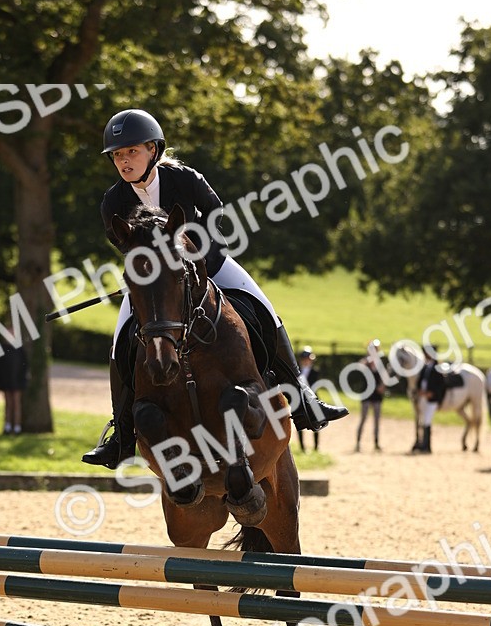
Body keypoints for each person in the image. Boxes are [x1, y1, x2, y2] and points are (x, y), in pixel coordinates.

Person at [82, 108, 348, 468]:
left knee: (264, 308)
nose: (123, 161)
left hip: (209, 264)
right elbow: (123, 244)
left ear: (153, 150)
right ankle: (122, 433)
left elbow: (214, 210)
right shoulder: (113, 201)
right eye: (117, 155)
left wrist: (194, 253)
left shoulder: (184, 179)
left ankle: (302, 397)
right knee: (120, 342)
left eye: (131, 152)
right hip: (153, 283)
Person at [0, 331, 29, 434]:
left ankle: (17, 426)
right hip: (6, 380)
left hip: (17, 380)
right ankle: (7, 426)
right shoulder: (2, 348)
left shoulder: (20, 349)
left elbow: (24, 366)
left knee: (16, 403)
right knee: (8, 403)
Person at [412, 346, 445, 454]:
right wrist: (419, 391)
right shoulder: (425, 367)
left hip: (431, 399)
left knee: (427, 421)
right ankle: (422, 443)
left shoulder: (437, 368)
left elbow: (441, 385)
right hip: (423, 397)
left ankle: (427, 446)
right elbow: (420, 381)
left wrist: (433, 393)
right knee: (422, 420)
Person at [355, 339, 385, 452]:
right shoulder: (365, 362)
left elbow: (385, 378)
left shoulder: (380, 364)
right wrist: (368, 362)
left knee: (377, 420)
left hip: (377, 396)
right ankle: (358, 442)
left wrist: (382, 387)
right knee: (363, 419)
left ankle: (376, 443)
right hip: (366, 395)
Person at [296, 348, 320, 452]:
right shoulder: (296, 371)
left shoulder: (315, 372)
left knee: (316, 421)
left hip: (312, 398)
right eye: (306, 359)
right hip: (299, 399)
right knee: (300, 422)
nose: (308, 361)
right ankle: (302, 447)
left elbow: (314, 385)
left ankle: (315, 446)